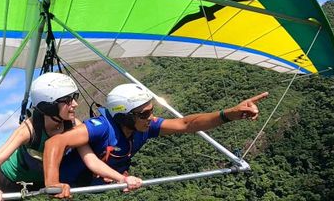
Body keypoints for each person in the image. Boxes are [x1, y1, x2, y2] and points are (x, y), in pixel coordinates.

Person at [42, 83, 269, 198]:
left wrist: (229, 114)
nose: (151, 118)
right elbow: (54, 143)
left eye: (151, 111)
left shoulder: (145, 127)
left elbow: (186, 124)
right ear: (124, 117)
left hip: (96, 186)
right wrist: (53, 184)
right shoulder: (100, 128)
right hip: (70, 185)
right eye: (143, 114)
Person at [0, 73, 142, 201]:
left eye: (74, 97)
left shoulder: (73, 124)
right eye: (67, 100)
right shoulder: (29, 129)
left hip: (43, 178)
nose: (75, 104)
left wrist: (121, 178)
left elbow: (90, 159)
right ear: (49, 105)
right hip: (13, 178)